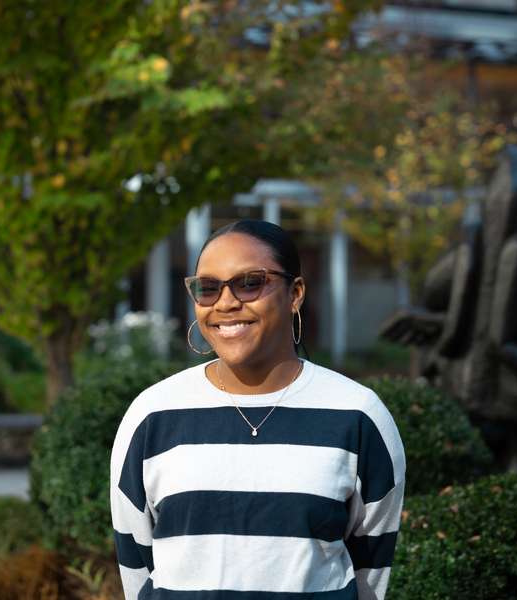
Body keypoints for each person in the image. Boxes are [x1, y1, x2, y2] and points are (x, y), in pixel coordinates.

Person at [111, 220, 406, 600]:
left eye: (250, 282)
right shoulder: (151, 415)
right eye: (208, 288)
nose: (226, 303)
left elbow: (370, 570)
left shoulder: (359, 415)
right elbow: (137, 564)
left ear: (295, 293)